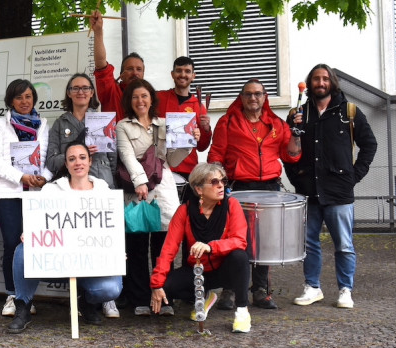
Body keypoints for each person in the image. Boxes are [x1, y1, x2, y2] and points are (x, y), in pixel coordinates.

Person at [7, 141, 124, 333]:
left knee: (111, 288)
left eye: (82, 157)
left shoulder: (103, 191)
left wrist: (117, 250)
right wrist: (28, 232)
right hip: (56, 262)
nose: (77, 162)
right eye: (72, 159)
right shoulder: (52, 190)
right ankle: (23, 307)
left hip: (90, 264)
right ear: (66, 164)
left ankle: (86, 303)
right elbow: (37, 223)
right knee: (23, 250)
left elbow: (112, 227)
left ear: (90, 161)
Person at [286, 64, 377, 309]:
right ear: (309, 83)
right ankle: (312, 287)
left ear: (332, 83)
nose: (320, 83)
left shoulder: (349, 111)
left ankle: (345, 290)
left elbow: (369, 145)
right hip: (308, 191)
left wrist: (353, 176)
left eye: (325, 79)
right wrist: (297, 179)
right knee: (308, 243)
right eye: (316, 79)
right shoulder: (298, 114)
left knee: (344, 244)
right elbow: (288, 152)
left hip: (339, 191)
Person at [207, 79, 302, 311]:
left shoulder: (277, 124)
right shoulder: (227, 122)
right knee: (235, 240)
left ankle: (260, 291)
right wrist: (219, 185)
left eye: (258, 94)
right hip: (238, 187)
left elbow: (291, 156)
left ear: (264, 96)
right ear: (241, 97)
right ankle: (230, 289)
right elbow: (216, 155)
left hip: (270, 188)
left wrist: (297, 136)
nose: (253, 98)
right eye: (248, 94)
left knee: (264, 242)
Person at [116, 79, 198, 317]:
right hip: (136, 187)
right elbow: (127, 155)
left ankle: (164, 296)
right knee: (137, 246)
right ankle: (140, 297)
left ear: (151, 98)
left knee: (164, 247)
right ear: (129, 101)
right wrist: (139, 181)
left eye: (144, 96)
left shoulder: (165, 124)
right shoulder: (123, 126)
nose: (140, 101)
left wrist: (189, 143)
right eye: (135, 97)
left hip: (163, 188)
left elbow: (172, 160)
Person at [46, 73, 118, 316]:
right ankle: (80, 295)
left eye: (86, 88)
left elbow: (114, 157)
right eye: (75, 88)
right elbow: (52, 160)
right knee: (77, 241)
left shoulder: (103, 119)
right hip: (72, 190)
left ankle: (105, 297)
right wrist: (77, 150)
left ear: (92, 92)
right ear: (68, 93)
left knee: (101, 239)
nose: (81, 92)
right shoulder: (60, 123)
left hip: (100, 184)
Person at [150, 163, 252, 333]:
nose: (221, 185)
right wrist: (157, 284)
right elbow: (169, 249)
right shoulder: (184, 211)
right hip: (197, 271)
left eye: (223, 180)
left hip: (224, 269)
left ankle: (242, 311)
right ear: (199, 189)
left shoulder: (232, 205)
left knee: (239, 257)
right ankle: (204, 297)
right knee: (166, 287)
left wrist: (211, 247)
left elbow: (240, 241)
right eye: (214, 182)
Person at [0, 79, 51, 317]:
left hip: (36, 195)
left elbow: (50, 158)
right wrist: (20, 177)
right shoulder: (0, 126)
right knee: (12, 245)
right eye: (19, 97)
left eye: (28, 96)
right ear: (10, 101)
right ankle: (12, 295)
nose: (24, 102)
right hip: (8, 194)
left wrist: (43, 177)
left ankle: (27, 297)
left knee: (32, 245)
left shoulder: (44, 125)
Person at [154, 56, 212, 180]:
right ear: (172, 74)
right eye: (179, 70)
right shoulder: (159, 98)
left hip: (188, 168)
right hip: (161, 166)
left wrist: (206, 130)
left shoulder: (199, 106)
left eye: (187, 71)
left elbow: (201, 147)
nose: (183, 74)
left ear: (193, 76)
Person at [90, 10, 145, 121]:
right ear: (121, 75)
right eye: (130, 69)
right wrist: (98, 31)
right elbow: (101, 63)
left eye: (139, 69)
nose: (135, 73)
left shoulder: (151, 96)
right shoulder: (112, 92)